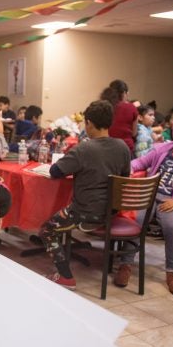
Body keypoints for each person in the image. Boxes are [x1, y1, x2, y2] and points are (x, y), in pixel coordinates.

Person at [39, 100, 130, 290]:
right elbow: (124, 177)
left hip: (84, 212)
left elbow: (56, 171)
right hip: (110, 211)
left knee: (46, 230)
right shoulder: (122, 147)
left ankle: (65, 276)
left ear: (88, 122)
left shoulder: (83, 149)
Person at [120, 116, 173, 295]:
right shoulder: (162, 149)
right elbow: (140, 162)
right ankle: (125, 264)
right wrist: (130, 167)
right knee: (136, 220)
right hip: (150, 194)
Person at [101, 79, 138, 156]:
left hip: (105, 148)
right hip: (125, 149)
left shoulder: (103, 107)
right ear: (124, 93)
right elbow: (134, 133)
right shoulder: (131, 108)